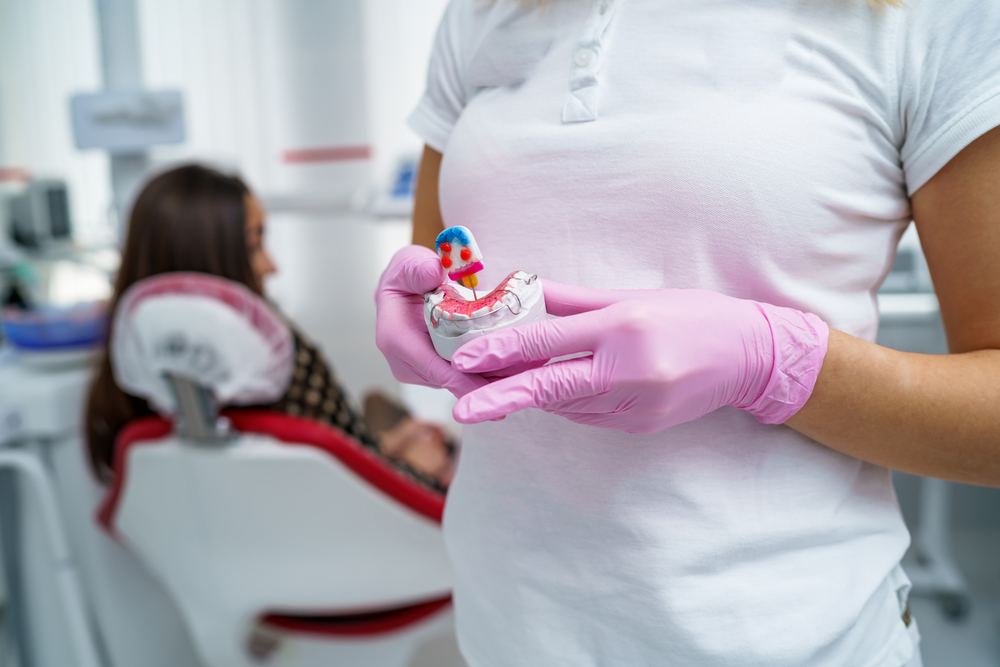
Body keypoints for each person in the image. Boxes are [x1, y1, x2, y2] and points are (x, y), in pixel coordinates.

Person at [374, 0, 1000, 664]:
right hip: (505, 632)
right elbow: (442, 268)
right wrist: (424, 315)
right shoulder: (480, 14)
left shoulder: (930, 16)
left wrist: (770, 361)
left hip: (795, 642)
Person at [87, 164, 455, 492]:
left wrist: (380, 447)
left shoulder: (133, 399)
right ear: (208, 259)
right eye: (254, 244)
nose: (271, 265)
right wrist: (412, 467)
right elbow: (343, 493)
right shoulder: (275, 357)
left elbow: (313, 460)